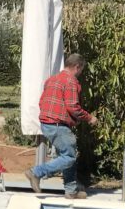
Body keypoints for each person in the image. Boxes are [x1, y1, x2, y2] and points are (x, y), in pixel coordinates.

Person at [26, 54, 99, 199]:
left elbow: (42, 102)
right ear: (77, 67)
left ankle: (71, 190)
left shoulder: (51, 79)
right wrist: (89, 118)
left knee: (66, 154)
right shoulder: (70, 81)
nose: (80, 73)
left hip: (47, 123)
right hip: (58, 124)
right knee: (69, 157)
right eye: (81, 70)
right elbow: (73, 106)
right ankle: (36, 172)